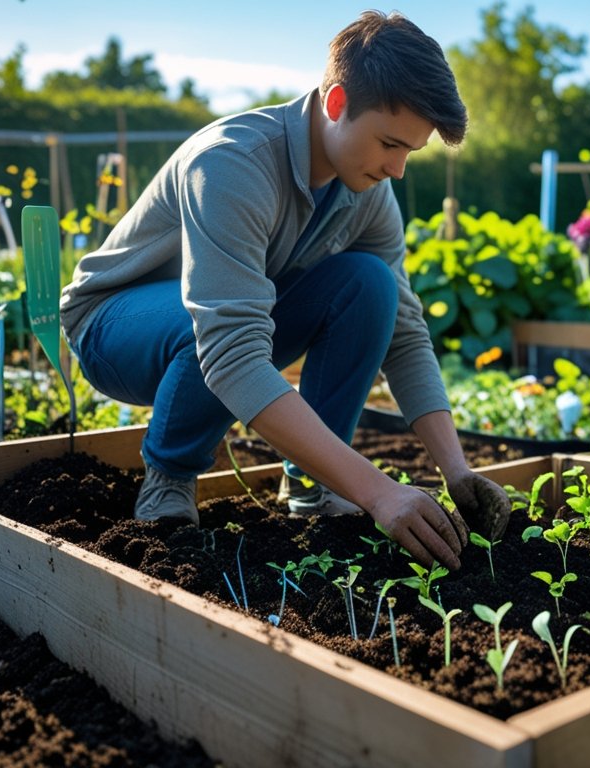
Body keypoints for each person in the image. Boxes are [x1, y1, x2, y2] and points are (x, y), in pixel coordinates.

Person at [59, 11, 509, 571]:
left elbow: (405, 333)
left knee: (371, 286)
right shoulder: (231, 163)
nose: (397, 169)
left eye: (409, 153)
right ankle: (169, 478)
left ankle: (311, 486)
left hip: (221, 322)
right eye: (390, 144)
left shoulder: (367, 192)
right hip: (114, 326)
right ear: (338, 102)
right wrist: (379, 492)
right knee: (215, 322)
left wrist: (456, 471)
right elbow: (228, 348)